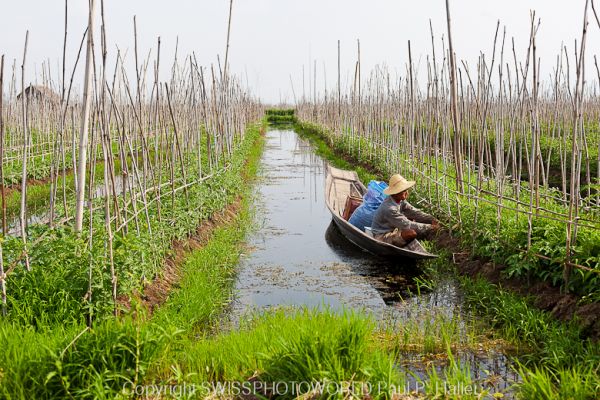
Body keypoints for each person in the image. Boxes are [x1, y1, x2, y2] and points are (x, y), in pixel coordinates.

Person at [371, 174, 439, 247]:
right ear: (396, 193)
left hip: (393, 229)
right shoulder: (389, 208)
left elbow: (414, 212)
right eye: (404, 191)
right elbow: (407, 224)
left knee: (412, 219)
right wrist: (430, 227)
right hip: (381, 236)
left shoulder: (399, 200)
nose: (407, 193)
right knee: (411, 233)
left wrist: (431, 218)